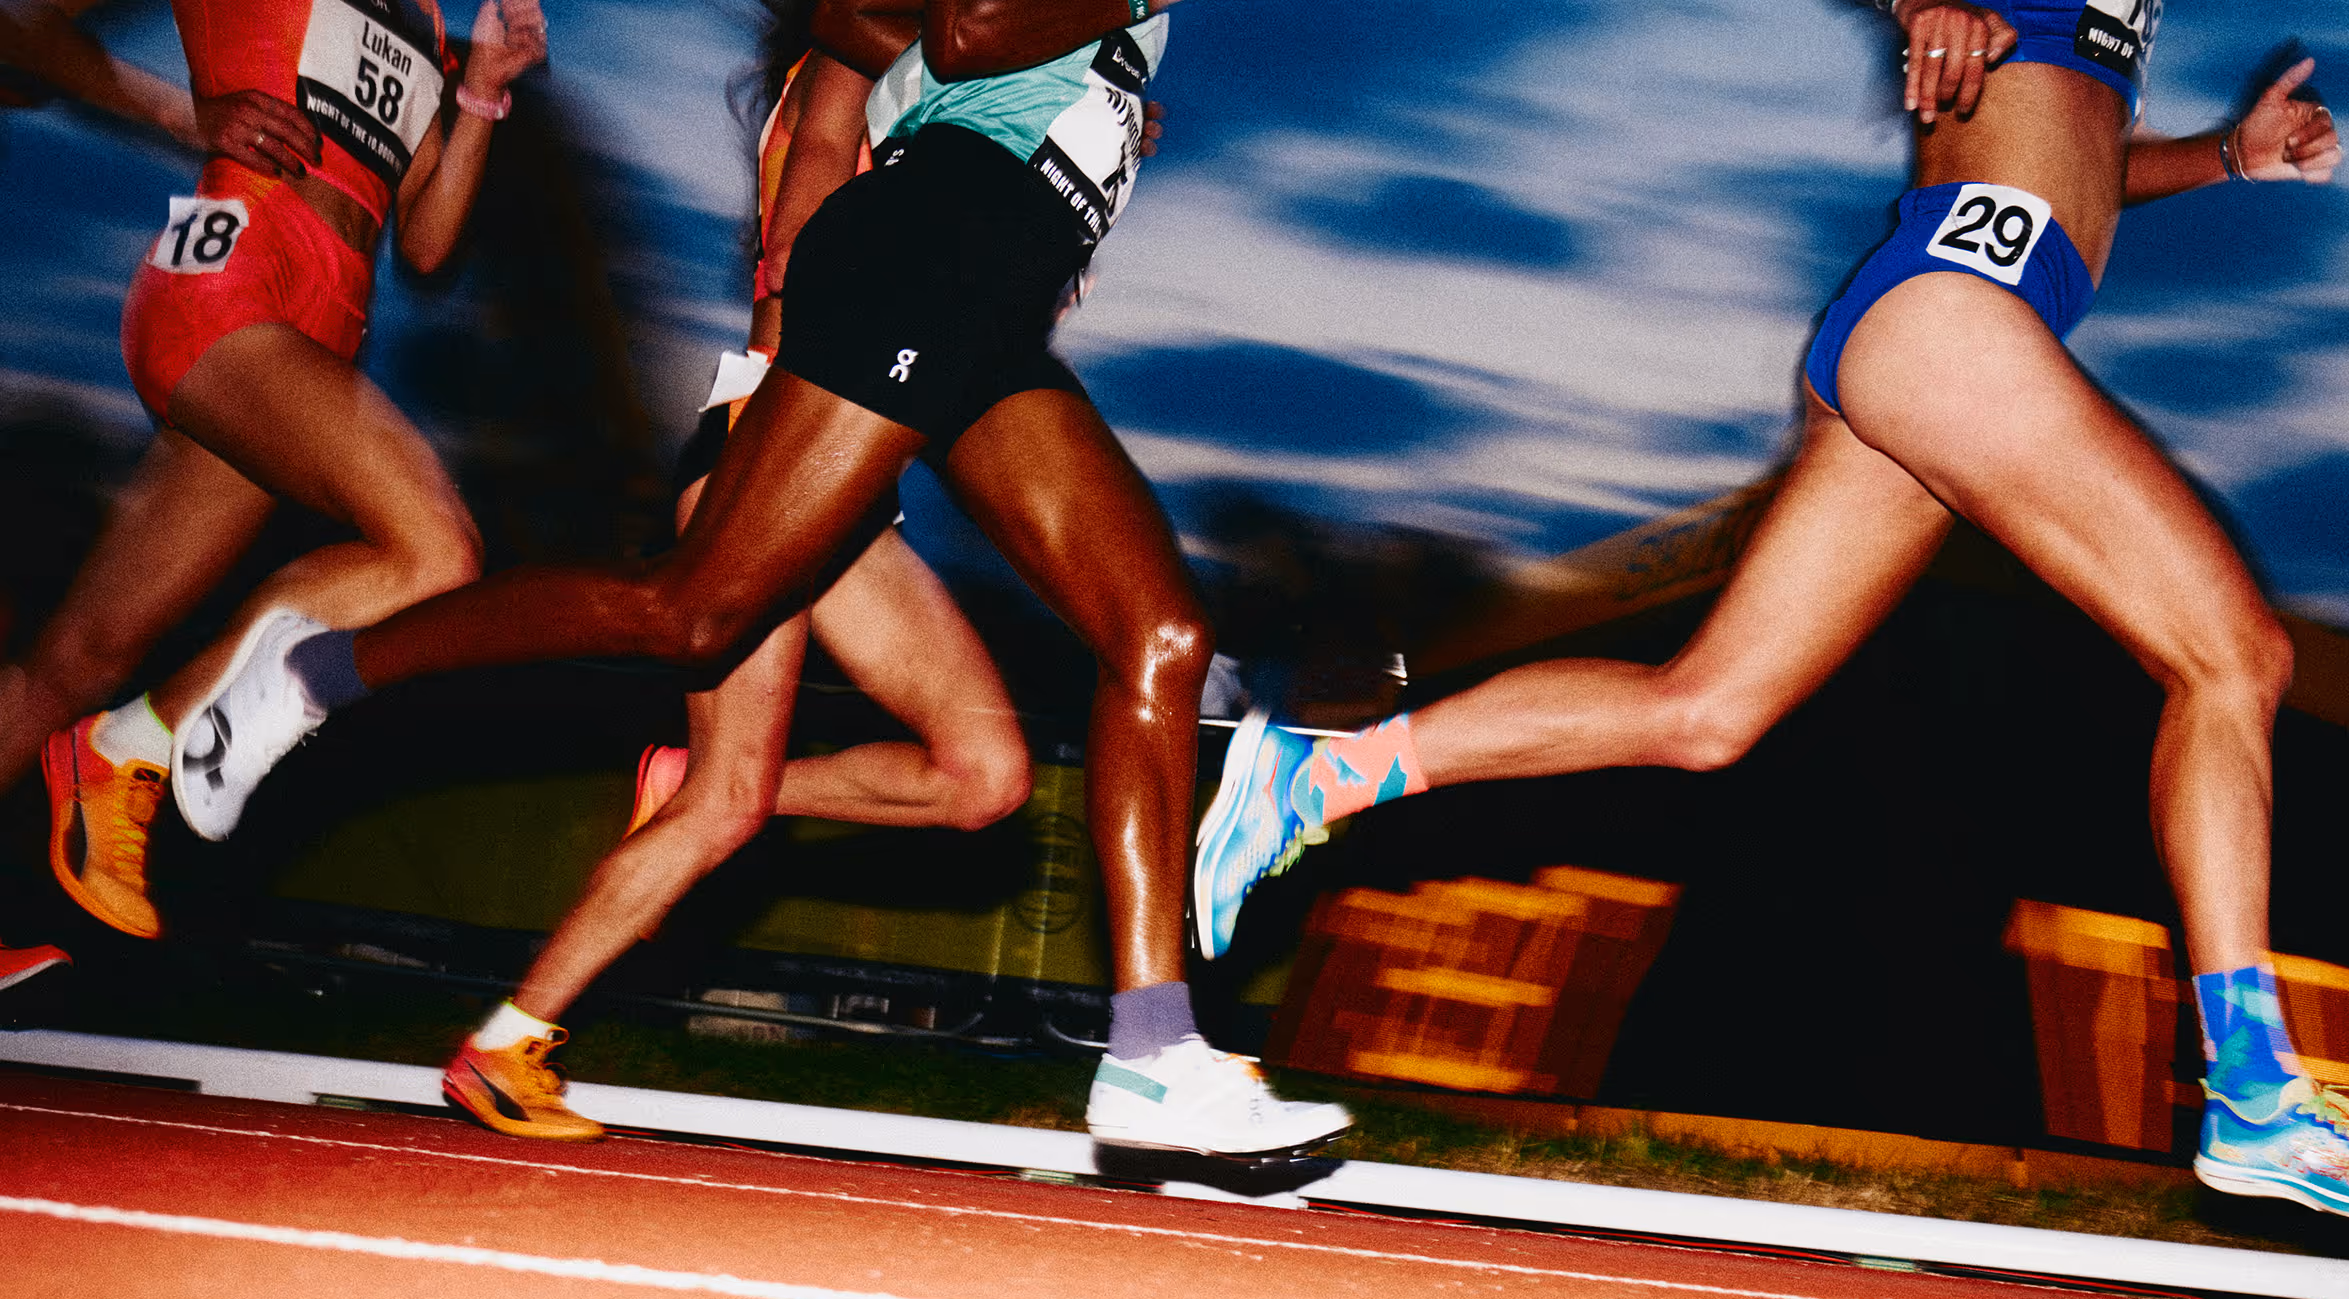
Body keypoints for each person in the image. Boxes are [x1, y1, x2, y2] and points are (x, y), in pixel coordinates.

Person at [1198, 2, 2349, 1219]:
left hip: (1940, 319)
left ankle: (1324, 773)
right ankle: (2253, 1093)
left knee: (1704, 711)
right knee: (2232, 656)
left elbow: (2078, 159)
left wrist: (2225, 160)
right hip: (1953, 310)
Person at [173, 0, 1352, 1158]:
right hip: (933, 256)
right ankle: (317, 669)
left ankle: (1152, 1056)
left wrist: (1101, 98)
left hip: (987, 288)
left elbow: (943, 51)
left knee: (1157, 636)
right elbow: (961, 32)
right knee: (690, 618)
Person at [445, 12, 1035, 1140]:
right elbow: (810, 204)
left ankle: (689, 787)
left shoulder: (934, 99)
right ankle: (507, 1043)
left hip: (850, 486)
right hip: (771, 445)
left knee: (984, 775)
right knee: (728, 801)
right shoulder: (854, 62)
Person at [0, 0, 548, 968]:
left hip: (324, 322)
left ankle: (110, 734)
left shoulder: (422, 16)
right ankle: (133, 741)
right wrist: (186, 117)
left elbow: (424, 245)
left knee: (76, 658)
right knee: (433, 546)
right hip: (232, 280)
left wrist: (478, 95)